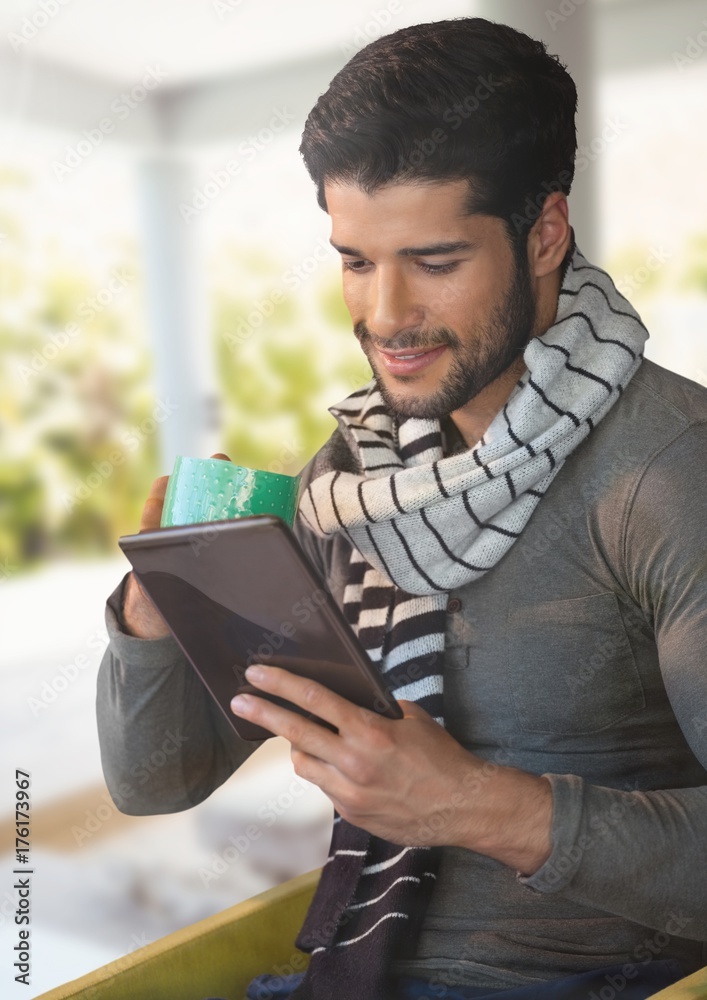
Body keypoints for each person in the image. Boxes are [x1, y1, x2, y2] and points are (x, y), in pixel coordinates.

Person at [96, 17, 707, 1000]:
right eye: (353, 260)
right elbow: (158, 779)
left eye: (431, 260)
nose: (382, 317)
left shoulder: (668, 471)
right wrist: (152, 613)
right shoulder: (355, 473)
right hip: (349, 973)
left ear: (543, 234)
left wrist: (473, 804)